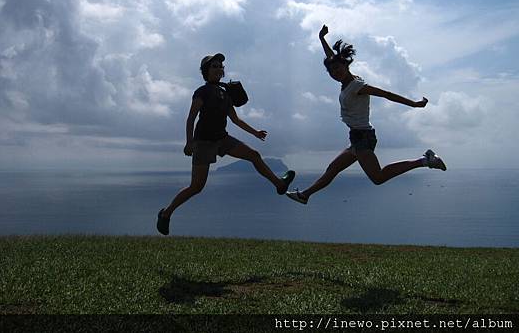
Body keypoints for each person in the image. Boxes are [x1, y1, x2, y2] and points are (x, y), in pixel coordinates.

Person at [287, 25, 446, 205]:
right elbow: (332, 57)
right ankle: (305, 195)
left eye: (338, 68)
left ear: (346, 66)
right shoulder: (347, 82)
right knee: (332, 169)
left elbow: (386, 94)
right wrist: (322, 38)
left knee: (378, 177)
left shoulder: (356, 86)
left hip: (363, 138)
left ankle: (425, 161)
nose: (334, 73)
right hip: (356, 137)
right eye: (331, 71)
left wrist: (414, 104)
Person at [157, 53, 296, 235]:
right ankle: (166, 214)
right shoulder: (202, 92)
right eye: (214, 66)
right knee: (196, 187)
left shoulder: (225, 93)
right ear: (206, 71)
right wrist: (189, 142)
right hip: (204, 142)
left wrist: (255, 132)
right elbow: (191, 118)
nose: (218, 68)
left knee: (254, 155)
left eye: (220, 66)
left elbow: (235, 119)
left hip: (222, 139)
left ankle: (279, 184)